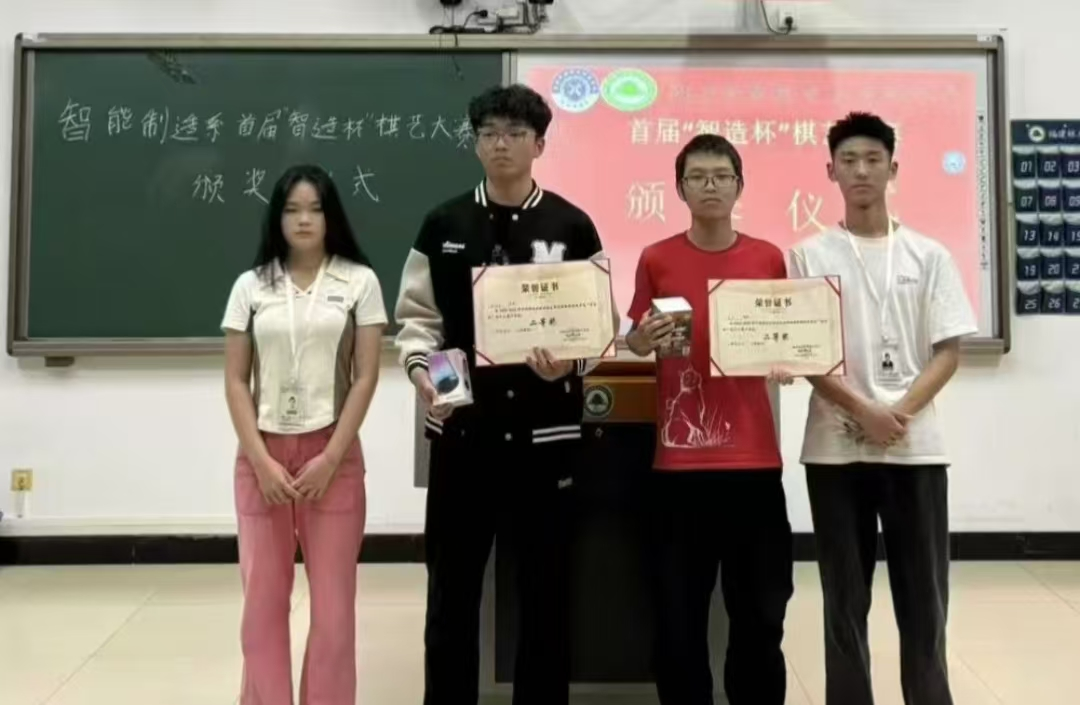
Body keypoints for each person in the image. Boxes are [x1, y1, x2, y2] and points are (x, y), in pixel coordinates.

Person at [394, 84, 612, 705]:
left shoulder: (572, 225)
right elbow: (418, 320)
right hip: (464, 436)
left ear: (539, 144)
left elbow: (599, 325)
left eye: (515, 133)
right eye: (489, 133)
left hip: (547, 439)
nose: (501, 144)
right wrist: (427, 377)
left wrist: (570, 361)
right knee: (452, 592)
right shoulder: (443, 223)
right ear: (475, 143)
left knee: (545, 593)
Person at [789, 112, 978, 705]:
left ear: (893, 169)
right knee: (844, 601)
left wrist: (897, 415)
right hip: (834, 450)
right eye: (848, 161)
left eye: (873, 159)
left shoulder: (929, 255)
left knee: (925, 602)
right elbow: (803, 352)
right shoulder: (806, 255)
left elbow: (948, 351)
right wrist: (861, 410)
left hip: (914, 450)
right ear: (830, 172)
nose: (861, 171)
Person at [625, 134, 794, 705]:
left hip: (754, 463)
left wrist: (790, 358)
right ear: (680, 189)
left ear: (739, 186)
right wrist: (640, 339)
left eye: (721, 176)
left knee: (762, 611)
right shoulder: (656, 257)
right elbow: (635, 338)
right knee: (678, 618)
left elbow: (790, 336)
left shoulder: (769, 257)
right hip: (678, 468)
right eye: (697, 177)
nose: (710, 185)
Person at [222, 164, 387, 705]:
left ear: (330, 215)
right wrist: (261, 462)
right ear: (278, 217)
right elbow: (235, 380)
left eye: (315, 208)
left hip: (332, 455)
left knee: (335, 613)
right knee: (261, 608)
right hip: (262, 457)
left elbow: (365, 376)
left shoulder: (359, 282)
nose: (303, 219)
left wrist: (332, 457)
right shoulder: (251, 286)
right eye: (292, 209)